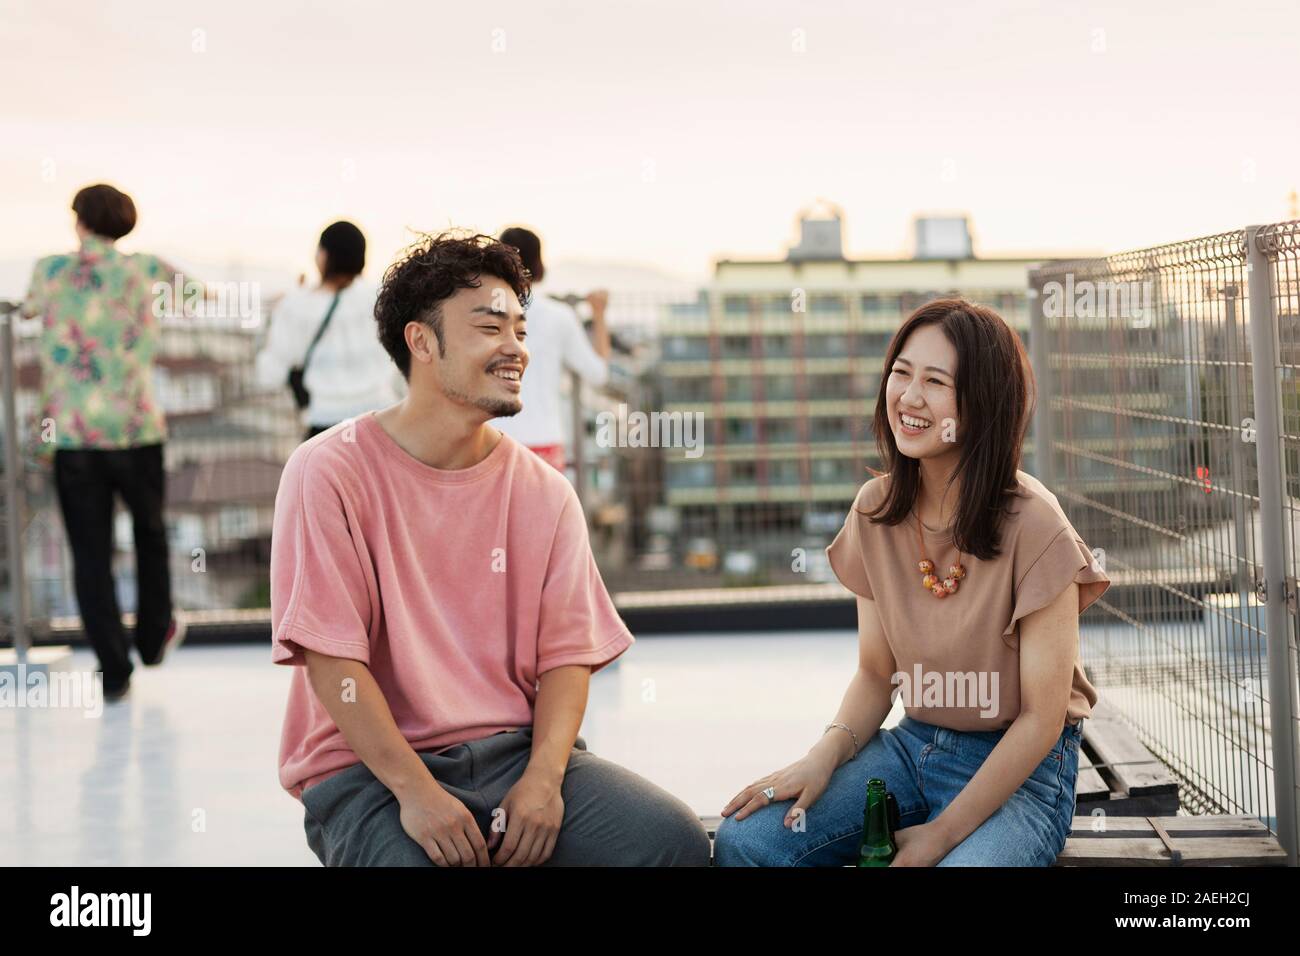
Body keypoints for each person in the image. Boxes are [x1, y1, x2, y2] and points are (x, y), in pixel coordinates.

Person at [270, 229, 709, 867]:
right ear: (420, 342)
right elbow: (332, 665)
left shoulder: (544, 491)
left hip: (517, 752)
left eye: (521, 332)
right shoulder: (327, 472)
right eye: (489, 328)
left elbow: (567, 657)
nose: (516, 350)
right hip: (370, 772)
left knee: (673, 843)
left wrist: (545, 778)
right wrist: (417, 793)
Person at [714, 298, 1111, 867]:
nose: (909, 396)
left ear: (982, 404)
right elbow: (876, 674)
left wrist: (941, 834)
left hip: (1021, 774)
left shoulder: (1037, 524)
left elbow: (1041, 720)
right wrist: (821, 756)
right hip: (911, 747)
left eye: (935, 381)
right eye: (900, 373)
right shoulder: (875, 510)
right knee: (747, 843)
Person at [20, 183, 188, 702]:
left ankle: (114, 669)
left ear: (79, 222)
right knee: (151, 534)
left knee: (90, 554)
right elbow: (197, 296)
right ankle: (154, 636)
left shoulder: (50, 271)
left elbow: (26, 311)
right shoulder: (147, 269)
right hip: (137, 429)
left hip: (73, 435)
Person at [255, 221, 401, 441]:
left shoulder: (296, 305)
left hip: (327, 426)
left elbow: (271, 372)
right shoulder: (381, 298)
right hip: (382, 419)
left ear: (324, 256)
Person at [488, 226, 610, 472]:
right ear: (539, 263)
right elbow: (599, 373)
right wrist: (598, 314)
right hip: (544, 442)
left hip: (491, 442)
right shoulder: (559, 316)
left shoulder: (482, 314)